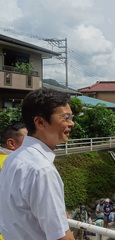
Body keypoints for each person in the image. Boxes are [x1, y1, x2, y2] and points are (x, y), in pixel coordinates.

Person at [0, 88, 75, 240]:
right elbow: (60, 236)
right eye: (65, 118)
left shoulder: (13, 158)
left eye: (71, 117)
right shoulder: (42, 170)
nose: (71, 123)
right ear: (40, 122)